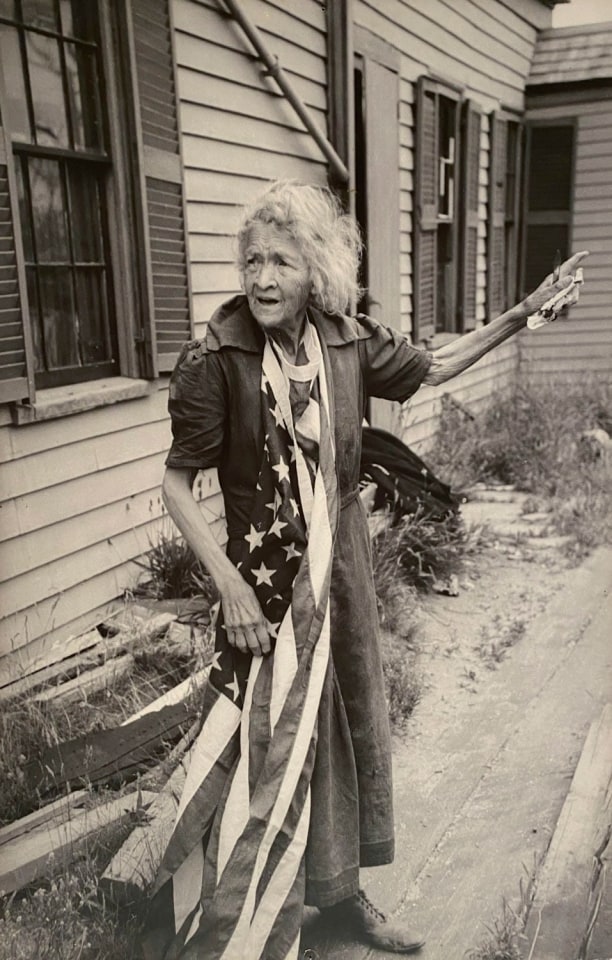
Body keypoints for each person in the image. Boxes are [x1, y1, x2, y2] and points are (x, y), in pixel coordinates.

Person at [146, 180, 587, 960]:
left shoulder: (342, 339)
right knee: (266, 736)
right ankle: (241, 908)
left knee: (349, 722)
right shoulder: (216, 358)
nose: (263, 278)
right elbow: (178, 484)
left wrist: (521, 316)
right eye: (252, 260)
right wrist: (229, 584)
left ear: (315, 270)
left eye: (281, 260)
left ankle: (342, 896)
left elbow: (437, 365)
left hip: (340, 557)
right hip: (262, 577)